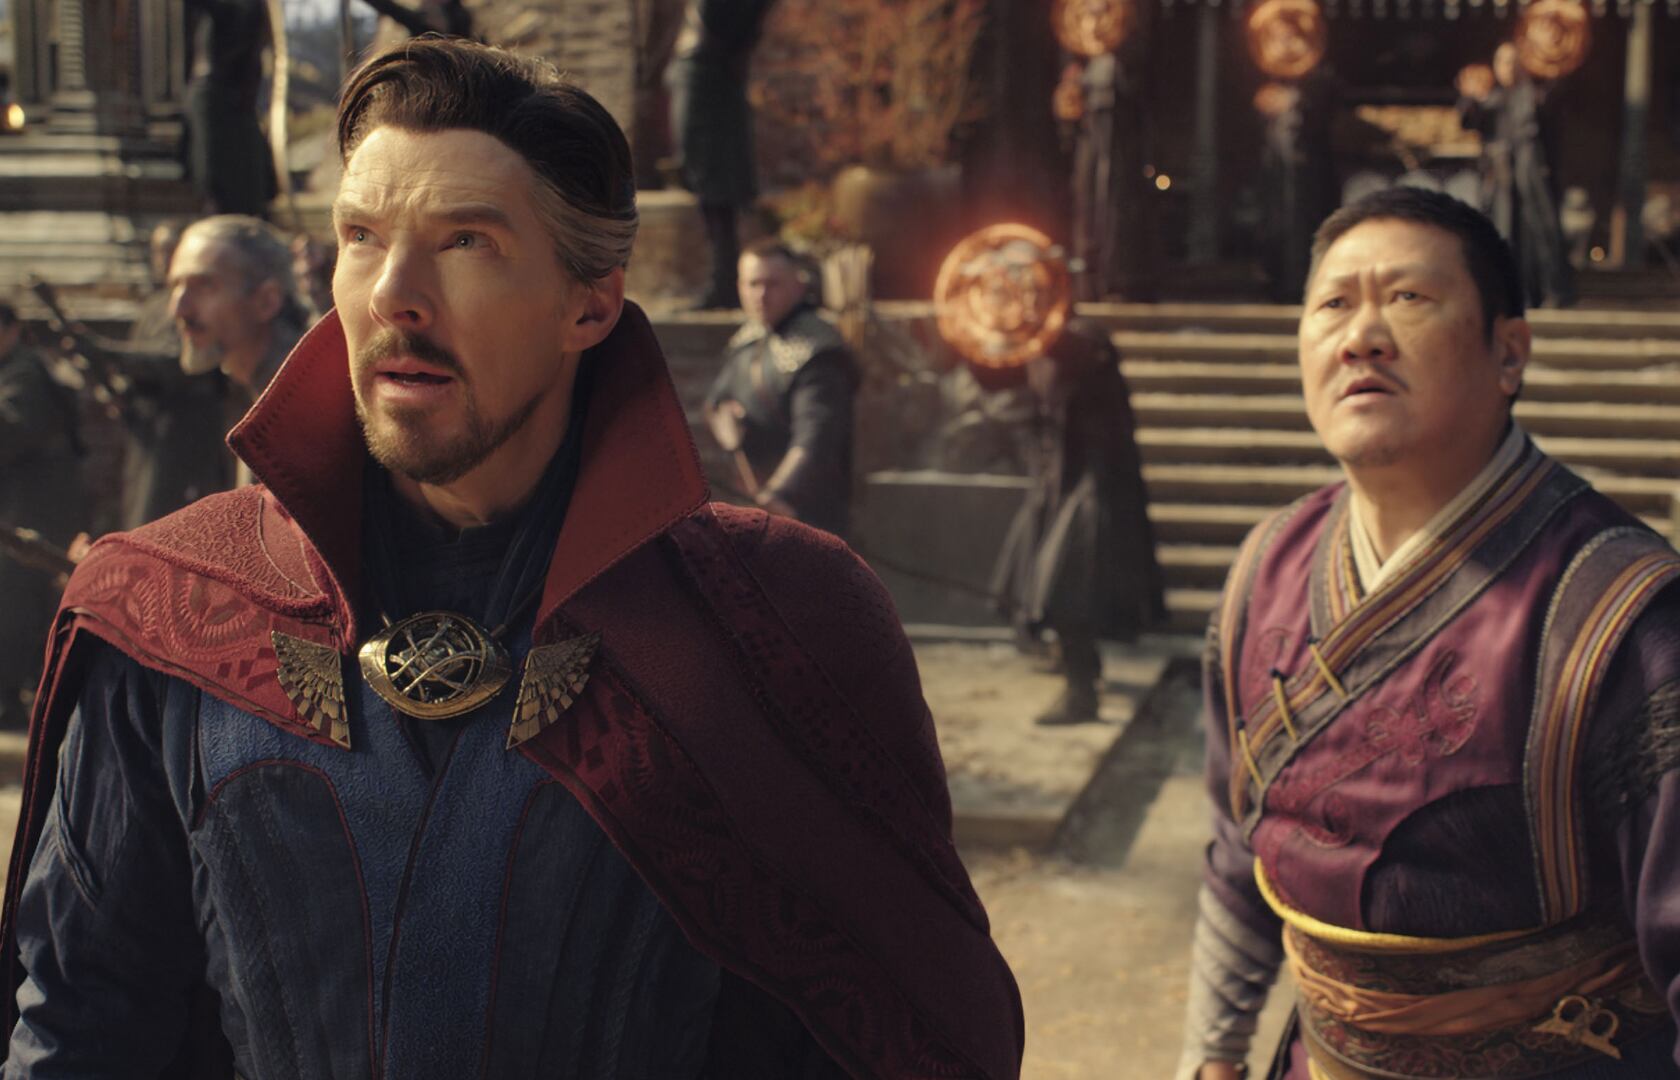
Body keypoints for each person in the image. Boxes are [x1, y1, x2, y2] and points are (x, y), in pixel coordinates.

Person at [1, 39, 1022, 1078]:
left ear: (590, 303)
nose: (394, 294)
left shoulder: (778, 621)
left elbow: (899, 1046)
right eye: (361, 237)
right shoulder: (174, 612)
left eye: (466, 241)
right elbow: (80, 1028)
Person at [1176, 187, 1680, 1079]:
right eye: (1334, 304)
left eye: (1408, 297)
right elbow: (1237, 847)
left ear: (1509, 352)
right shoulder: (1266, 568)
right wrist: (1211, 1056)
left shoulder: (1620, 610)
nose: (1360, 337)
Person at [989, 319, 1164, 725]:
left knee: (1067, 586)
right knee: (1044, 583)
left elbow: (1075, 356)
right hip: (1058, 480)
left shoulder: (1081, 340)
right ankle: (1080, 671)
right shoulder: (1037, 345)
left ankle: (1081, 693)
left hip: (1093, 483)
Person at [704, 238, 856, 537]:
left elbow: (815, 437)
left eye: (772, 284)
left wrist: (779, 493)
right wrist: (726, 422)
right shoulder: (747, 339)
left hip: (805, 510)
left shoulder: (819, 351)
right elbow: (717, 401)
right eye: (753, 284)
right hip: (754, 502)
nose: (761, 295)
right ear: (740, 287)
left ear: (797, 286)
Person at [0, 302, 84, 729]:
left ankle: (13, 698)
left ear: (11, 329)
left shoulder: (25, 371)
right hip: (25, 498)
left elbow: (12, 431)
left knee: (17, 596)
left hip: (37, 501)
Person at [666, 0, 776, 309]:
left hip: (710, 70)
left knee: (716, 184)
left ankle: (724, 282)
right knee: (708, 182)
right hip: (704, 67)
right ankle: (723, 281)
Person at [1457, 43, 1575, 309]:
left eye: (1513, 62)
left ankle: (1553, 291)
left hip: (1533, 178)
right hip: (1502, 181)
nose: (1508, 68)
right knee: (1504, 233)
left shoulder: (1537, 94)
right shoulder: (1492, 98)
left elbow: (1553, 106)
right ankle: (1513, 293)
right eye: (1503, 62)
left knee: (1541, 231)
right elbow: (1468, 121)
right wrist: (1470, 97)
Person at [183, 0, 278, 217]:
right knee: (217, 184)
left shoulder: (247, 7)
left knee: (241, 184)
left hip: (233, 100)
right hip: (218, 96)